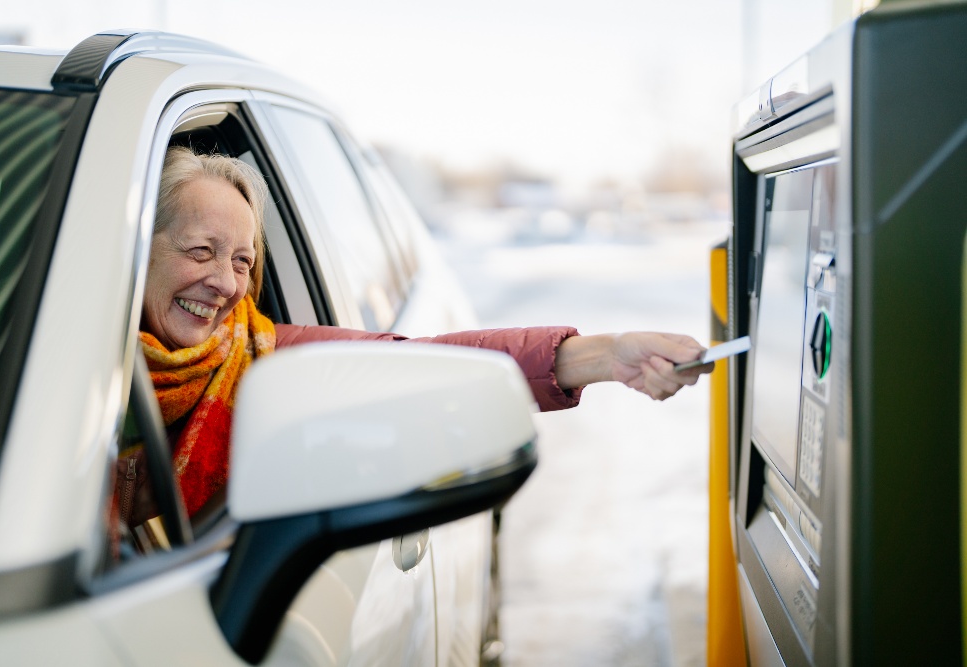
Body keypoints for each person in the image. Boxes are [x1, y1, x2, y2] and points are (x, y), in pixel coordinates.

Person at [119, 146, 712, 531]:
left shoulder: (264, 358)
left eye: (244, 262)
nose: (225, 283)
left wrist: (608, 355)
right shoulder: (49, 364)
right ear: (138, 250)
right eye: (200, 251)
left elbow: (432, 365)